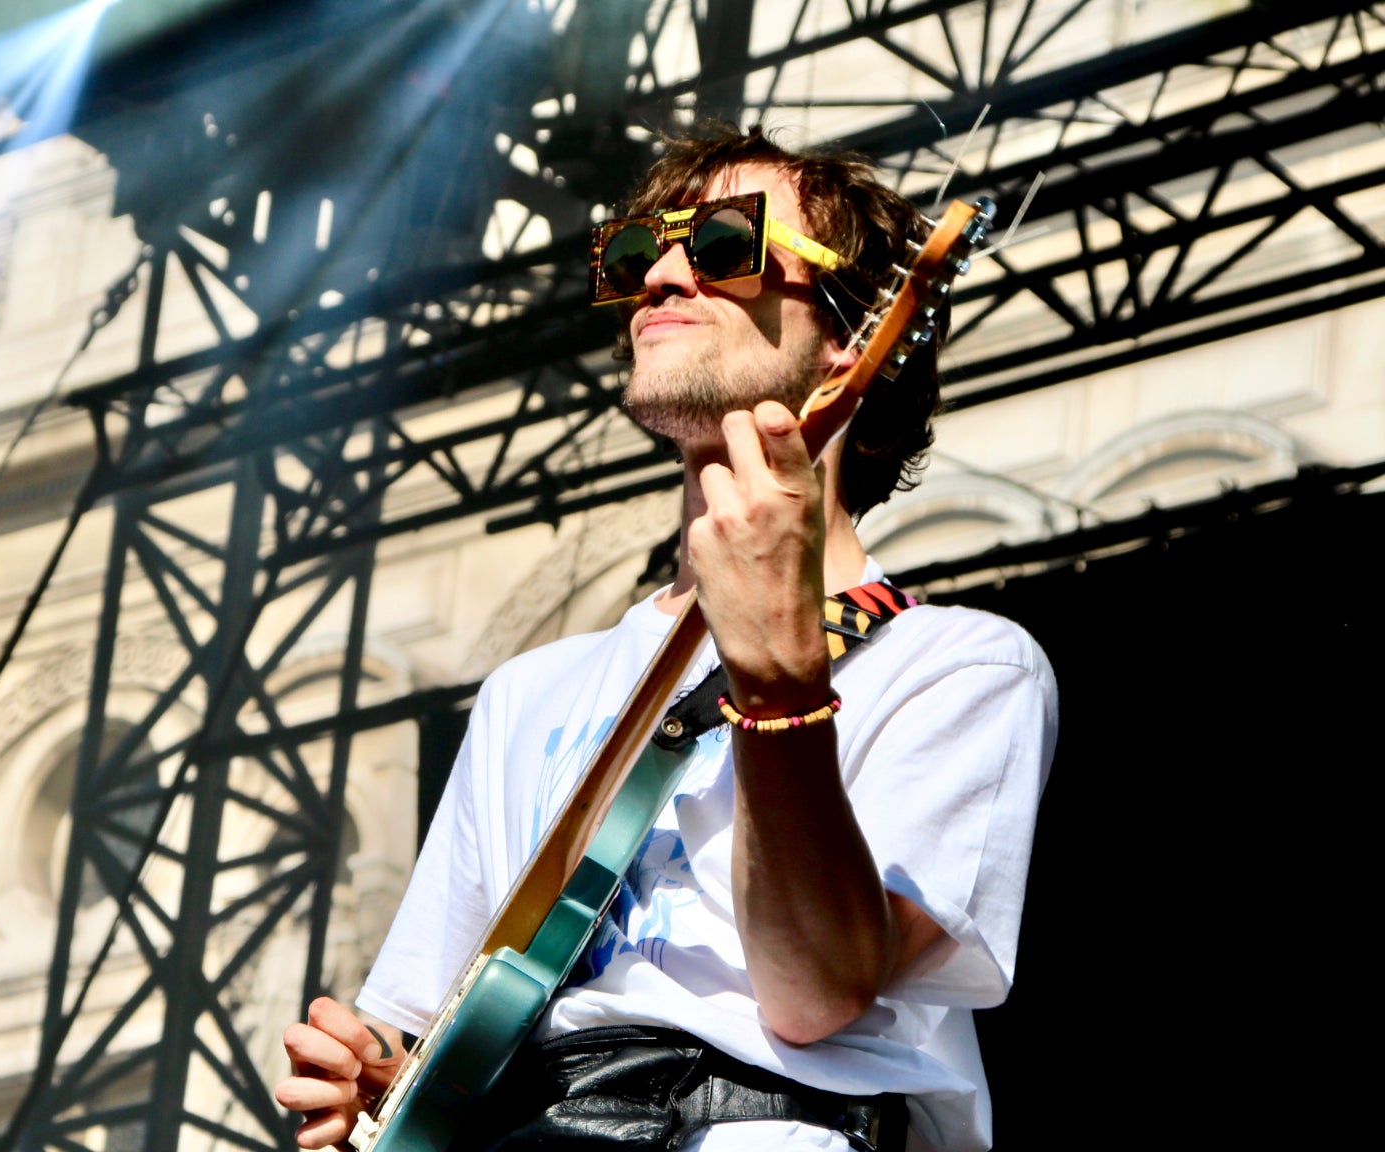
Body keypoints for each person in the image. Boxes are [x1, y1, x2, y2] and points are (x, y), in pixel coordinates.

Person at [276, 124, 1057, 1152]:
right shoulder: (526, 691)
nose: (663, 277)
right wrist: (378, 1080)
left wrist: (778, 690)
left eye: (726, 246)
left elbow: (813, 994)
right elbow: (435, 1022)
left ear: (848, 330)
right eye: (638, 257)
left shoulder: (954, 666)